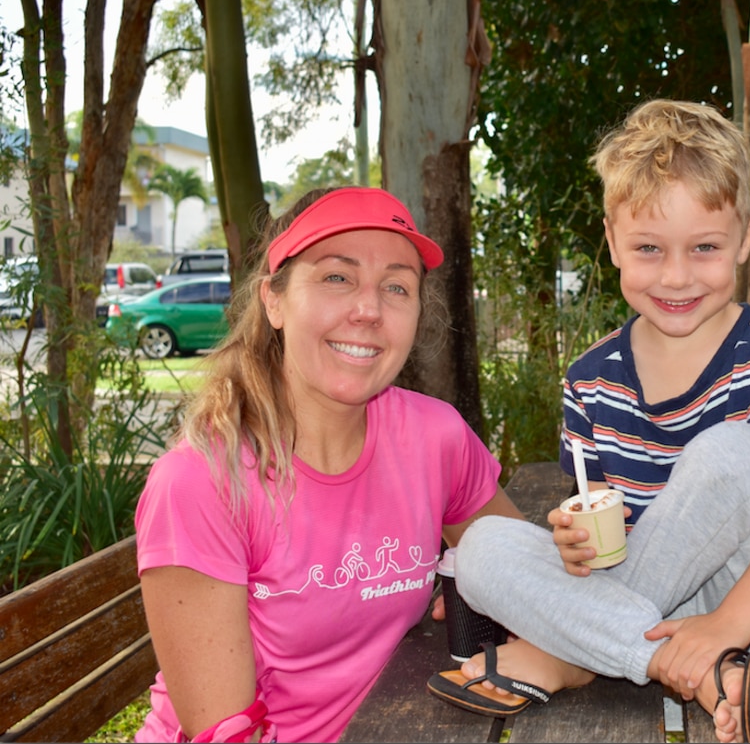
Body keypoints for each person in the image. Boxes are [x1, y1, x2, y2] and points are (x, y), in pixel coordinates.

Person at [428, 99, 750, 743]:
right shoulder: (590, 378)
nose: (676, 276)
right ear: (613, 240)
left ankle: (570, 654)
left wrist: (730, 622)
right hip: (626, 604)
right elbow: (596, 519)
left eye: (705, 248)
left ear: (746, 240)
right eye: (648, 248)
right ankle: (687, 670)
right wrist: (572, 537)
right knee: (480, 548)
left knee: (734, 452)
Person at [133, 187, 525, 743]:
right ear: (274, 300)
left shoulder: (435, 437)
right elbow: (227, 734)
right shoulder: (203, 481)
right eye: (337, 277)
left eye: (396, 286)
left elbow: (524, 575)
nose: (368, 310)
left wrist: (487, 587)